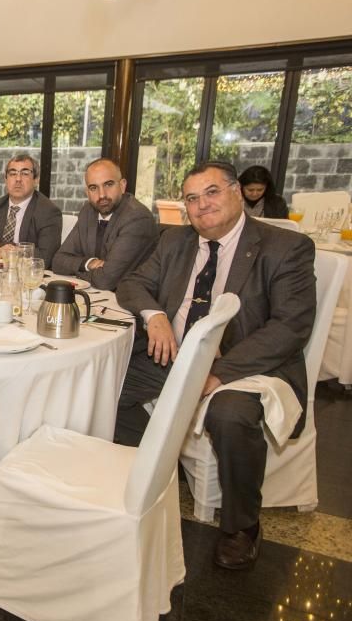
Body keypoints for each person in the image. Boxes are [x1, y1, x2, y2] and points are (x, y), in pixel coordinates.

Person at [115, 161, 315, 570]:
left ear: (237, 193)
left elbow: (290, 326)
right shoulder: (174, 241)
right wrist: (155, 316)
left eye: (212, 192)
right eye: (192, 198)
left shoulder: (284, 247)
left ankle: (242, 526)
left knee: (230, 414)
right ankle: (148, 474)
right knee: (106, 384)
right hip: (174, 353)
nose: (202, 205)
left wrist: (218, 373)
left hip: (247, 363)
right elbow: (132, 283)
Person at [52, 158, 158, 290]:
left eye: (108, 184)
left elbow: (105, 280)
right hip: (98, 296)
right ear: (87, 192)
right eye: (93, 188)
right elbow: (58, 261)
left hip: (126, 301)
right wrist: (89, 263)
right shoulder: (88, 212)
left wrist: (76, 272)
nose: (102, 195)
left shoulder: (137, 218)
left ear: (122, 185)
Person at [0, 153, 62, 268]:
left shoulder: (48, 211)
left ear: (36, 180)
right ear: (6, 180)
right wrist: (2, 249)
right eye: (12, 174)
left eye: (25, 173)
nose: (18, 179)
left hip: (25, 278)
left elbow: (46, 257)